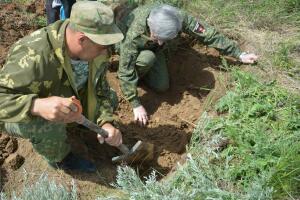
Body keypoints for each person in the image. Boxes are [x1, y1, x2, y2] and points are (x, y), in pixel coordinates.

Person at [0, 1, 124, 172]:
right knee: (48, 124)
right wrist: (37, 105)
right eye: (102, 47)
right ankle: (60, 159)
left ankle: (76, 124)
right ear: (82, 39)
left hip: (68, 97)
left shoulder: (96, 50)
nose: (106, 52)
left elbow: (100, 90)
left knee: (111, 98)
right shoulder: (33, 54)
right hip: (15, 113)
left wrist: (106, 123)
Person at [115, 3, 259, 126]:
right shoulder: (135, 33)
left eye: (164, 39)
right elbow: (125, 69)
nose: (160, 42)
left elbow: (207, 34)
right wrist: (135, 104)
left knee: (162, 86)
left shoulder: (178, 17)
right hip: (127, 45)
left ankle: (147, 69)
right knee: (147, 58)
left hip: (151, 49)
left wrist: (239, 54)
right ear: (150, 28)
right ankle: (138, 75)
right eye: (157, 38)